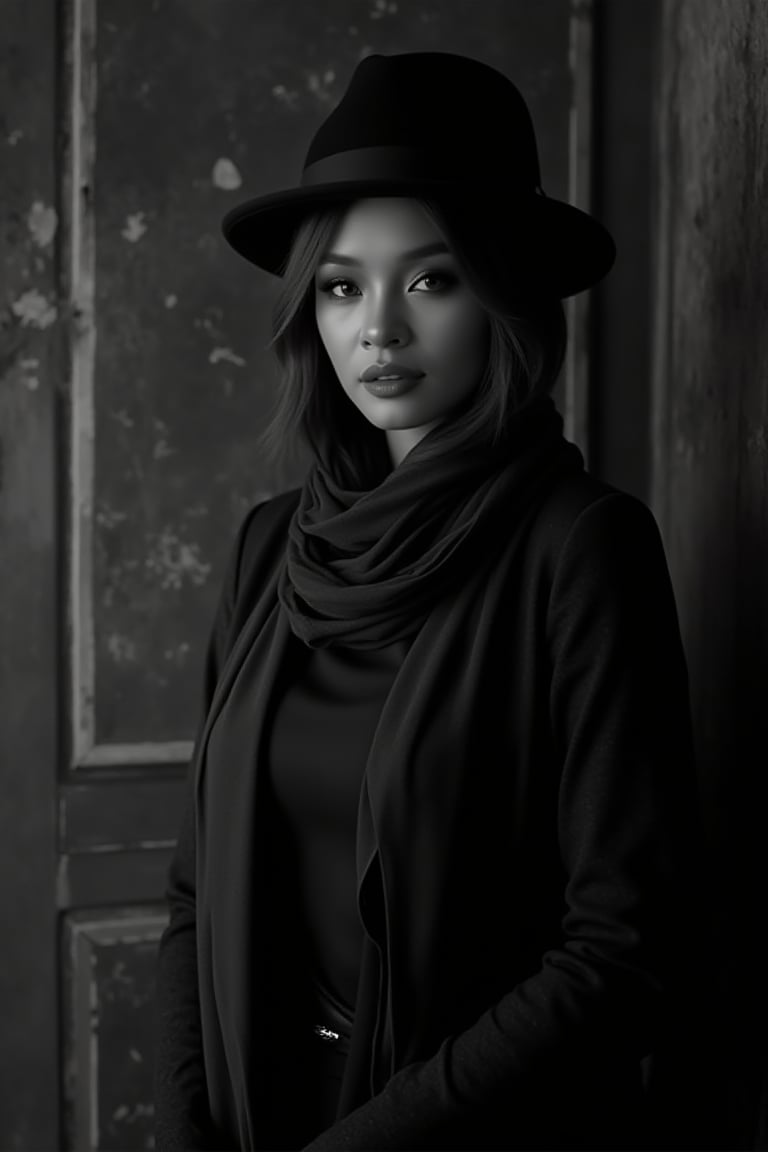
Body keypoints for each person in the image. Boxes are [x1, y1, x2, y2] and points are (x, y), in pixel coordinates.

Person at [153, 51, 696, 1151]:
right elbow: (191, 896)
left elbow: (619, 955)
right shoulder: (271, 548)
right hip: (268, 1109)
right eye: (343, 284)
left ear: (502, 294)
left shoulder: (580, 548)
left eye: (432, 279)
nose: (379, 329)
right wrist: (189, 1130)